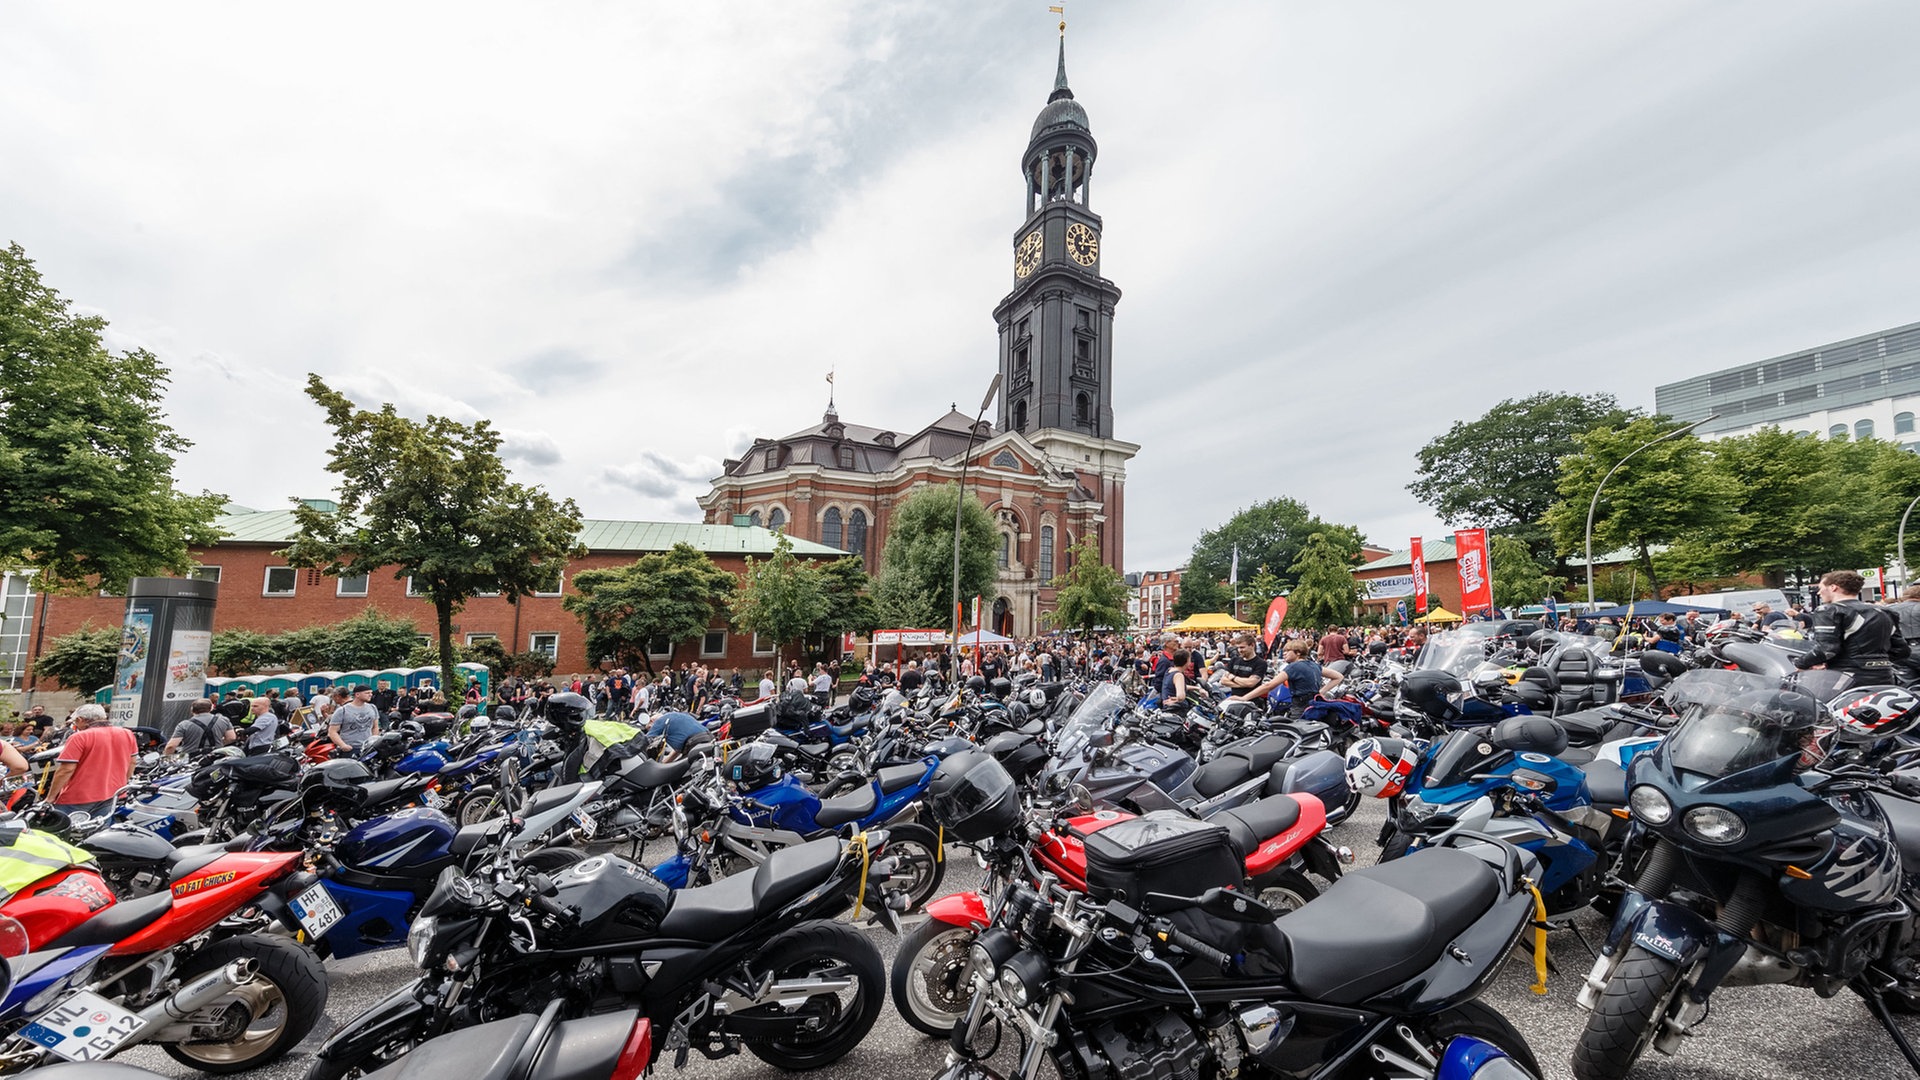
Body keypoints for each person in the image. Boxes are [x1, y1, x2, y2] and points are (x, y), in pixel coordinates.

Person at [1796, 570, 1910, 680]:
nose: (1818, 593)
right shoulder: (1886, 612)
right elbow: (1902, 650)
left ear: (1833, 587)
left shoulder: (1829, 610)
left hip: (1845, 678)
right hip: (1884, 675)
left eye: (1820, 588)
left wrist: (1800, 663)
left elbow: (1827, 649)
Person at [45, 704, 136, 819]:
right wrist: (122, 784)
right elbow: (132, 762)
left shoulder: (79, 737)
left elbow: (66, 770)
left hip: (79, 796)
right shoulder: (127, 733)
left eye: (75, 722)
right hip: (112, 793)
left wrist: (50, 797)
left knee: (60, 830)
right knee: (98, 831)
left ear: (80, 720)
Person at [166, 698, 234, 757]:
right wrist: (219, 744)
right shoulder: (224, 720)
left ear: (192, 710)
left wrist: (165, 757)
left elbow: (171, 746)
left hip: (191, 759)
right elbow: (231, 738)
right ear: (211, 709)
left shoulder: (184, 725)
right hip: (216, 756)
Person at [330, 685, 381, 754]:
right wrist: (343, 745)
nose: (370, 695)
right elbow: (332, 731)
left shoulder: (372, 707)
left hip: (367, 748)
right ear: (357, 694)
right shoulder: (342, 710)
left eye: (371, 693)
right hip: (350, 748)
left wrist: (373, 742)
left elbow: (375, 727)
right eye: (367, 693)